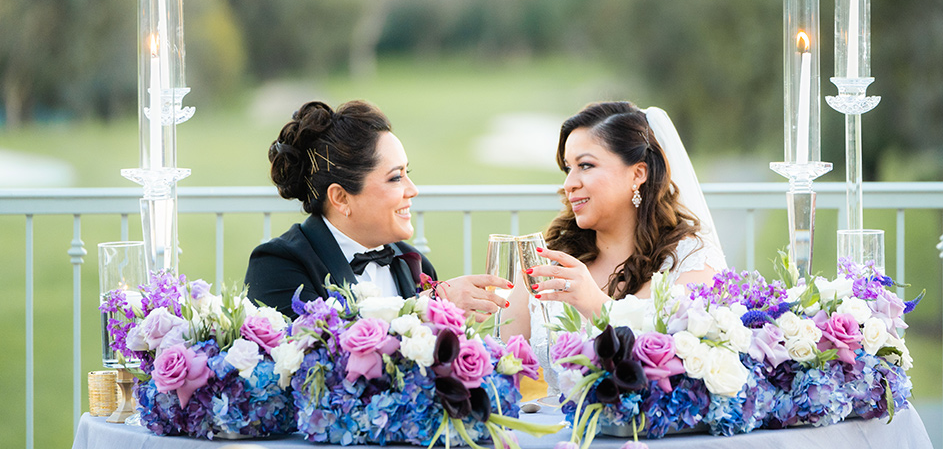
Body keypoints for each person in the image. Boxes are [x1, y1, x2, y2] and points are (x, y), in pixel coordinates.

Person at [499, 101, 727, 390]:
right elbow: (505, 368)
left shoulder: (693, 261)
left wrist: (594, 303)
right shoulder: (549, 262)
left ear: (638, 174)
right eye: (568, 168)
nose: (569, 183)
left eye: (585, 165)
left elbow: (683, 374)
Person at [245, 100, 511, 319]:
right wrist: (426, 307)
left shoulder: (414, 263)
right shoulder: (277, 264)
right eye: (395, 178)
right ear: (341, 198)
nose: (413, 189)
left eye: (408, 173)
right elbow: (320, 361)